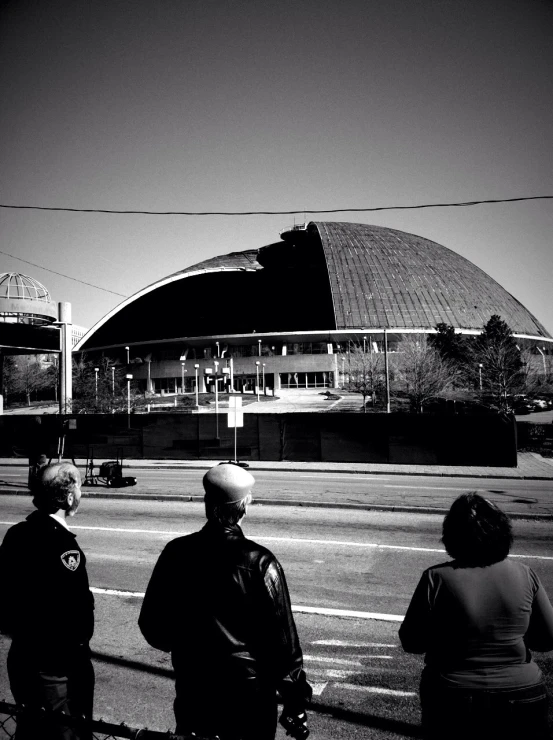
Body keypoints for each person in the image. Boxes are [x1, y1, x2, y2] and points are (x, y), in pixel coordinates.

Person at [139, 463, 312, 740]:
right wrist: (295, 700)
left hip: (194, 692)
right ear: (244, 507)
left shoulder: (176, 552)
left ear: (207, 504)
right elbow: (284, 644)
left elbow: (151, 625)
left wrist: (188, 651)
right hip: (249, 699)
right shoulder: (259, 561)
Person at [399, 491, 553, 740]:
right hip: (523, 692)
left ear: (452, 536)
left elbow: (412, 641)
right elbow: (547, 639)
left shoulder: (436, 578)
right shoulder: (526, 574)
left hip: (453, 694)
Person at [0, 462, 95, 740]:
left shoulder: (17, 533)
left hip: (22, 657)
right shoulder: (63, 546)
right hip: (56, 668)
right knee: (65, 733)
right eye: (79, 487)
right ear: (68, 498)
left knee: (31, 730)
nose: (81, 493)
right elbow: (75, 612)